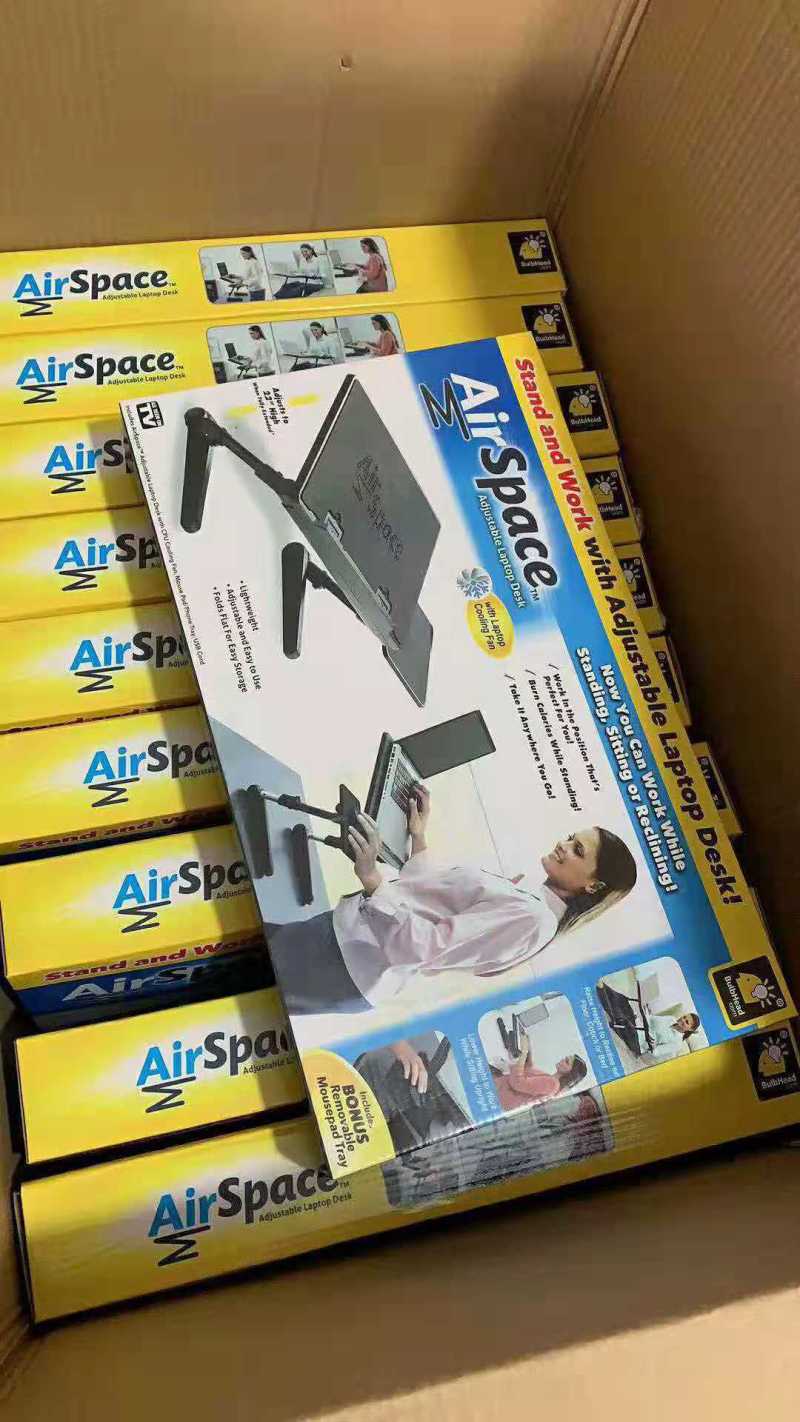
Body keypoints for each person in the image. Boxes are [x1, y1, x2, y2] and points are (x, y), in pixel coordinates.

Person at [269, 785, 638, 1016]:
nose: (563, 845)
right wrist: (418, 836)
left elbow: (425, 946)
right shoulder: (530, 899)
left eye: (577, 850)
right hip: (343, 941)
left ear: (593, 886)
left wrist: (372, 878)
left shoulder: (532, 917)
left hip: (346, 961)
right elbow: (431, 898)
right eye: (571, 837)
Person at [490, 1032, 587, 1112]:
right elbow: (529, 1070)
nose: (562, 1060)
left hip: (498, 1096)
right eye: (565, 1058)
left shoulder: (552, 1084)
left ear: (570, 1073)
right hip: (500, 1091)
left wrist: (524, 1052)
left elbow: (518, 1083)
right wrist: (528, 1049)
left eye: (566, 1061)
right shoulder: (552, 1080)